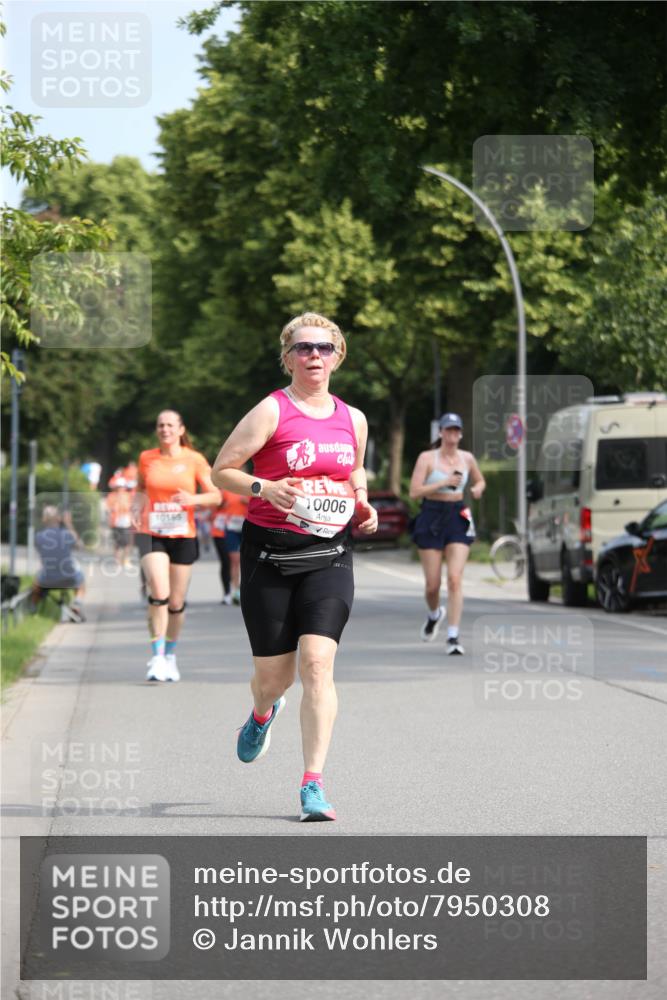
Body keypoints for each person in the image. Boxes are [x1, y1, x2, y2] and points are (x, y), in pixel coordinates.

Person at [212, 312, 378, 822]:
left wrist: (362, 500)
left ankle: (313, 784)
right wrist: (264, 487)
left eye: (324, 348)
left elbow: (353, 467)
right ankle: (262, 714)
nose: (314, 356)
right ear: (287, 358)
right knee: (274, 679)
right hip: (269, 557)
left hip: (329, 556)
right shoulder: (271, 411)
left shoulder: (353, 419)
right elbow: (222, 471)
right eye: (303, 348)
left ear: (338, 357)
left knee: (318, 665)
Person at [132, 410, 220, 683]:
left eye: (170, 425)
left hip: (183, 534)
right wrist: (135, 508)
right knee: (159, 592)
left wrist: (192, 500)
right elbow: (141, 489)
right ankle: (157, 656)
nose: (165, 429)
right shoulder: (147, 458)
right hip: (151, 532)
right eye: (161, 425)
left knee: (176, 602)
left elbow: (215, 495)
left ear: (181, 430)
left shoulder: (194, 459)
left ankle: (170, 655)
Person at [408, 412, 486, 654]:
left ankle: (453, 636)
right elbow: (414, 492)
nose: (452, 434)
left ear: (460, 434)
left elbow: (480, 481)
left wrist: (477, 489)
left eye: (456, 430)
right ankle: (434, 614)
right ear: (441, 432)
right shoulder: (427, 458)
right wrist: (443, 483)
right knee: (433, 585)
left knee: (454, 578)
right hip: (431, 514)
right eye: (448, 430)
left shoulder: (467, 458)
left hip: (457, 515)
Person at [33, 506, 86, 622]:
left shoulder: (39, 536)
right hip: (69, 578)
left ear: (43, 520)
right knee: (81, 582)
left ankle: (33, 608)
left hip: (47, 579)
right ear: (58, 518)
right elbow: (80, 546)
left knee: (36, 581)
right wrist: (69, 524)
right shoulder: (66, 534)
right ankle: (76, 605)